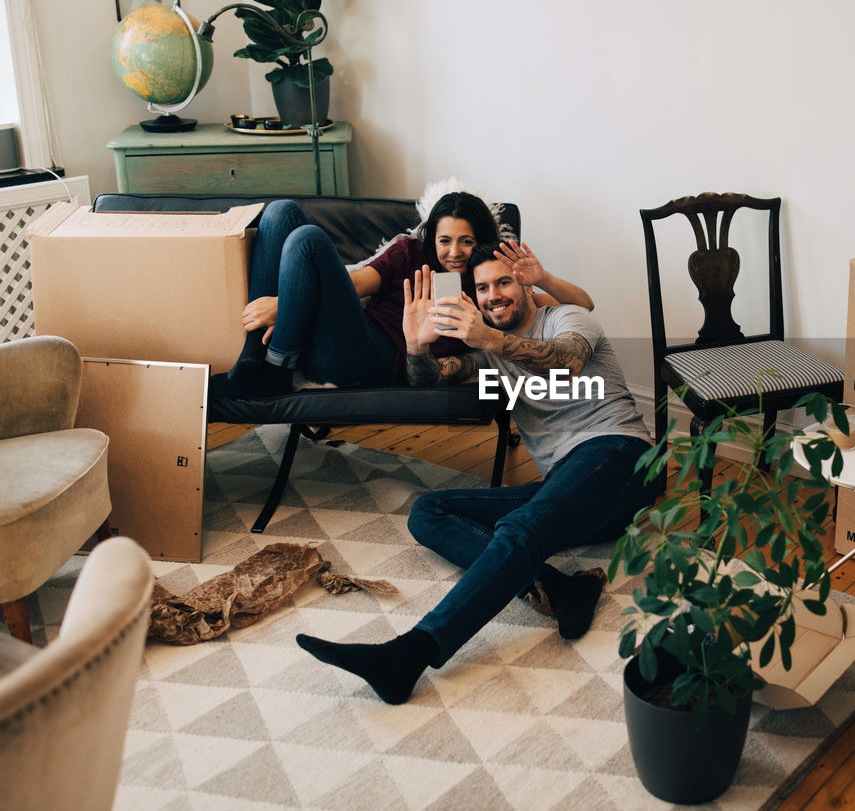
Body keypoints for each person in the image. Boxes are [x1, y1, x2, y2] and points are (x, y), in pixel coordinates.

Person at [295, 248, 657, 704]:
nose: (493, 296)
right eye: (482, 289)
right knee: (429, 511)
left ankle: (410, 653)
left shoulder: (567, 319)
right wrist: (416, 346)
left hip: (622, 458)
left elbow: (566, 362)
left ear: (526, 285)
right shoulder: (489, 360)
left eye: (503, 283)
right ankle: (563, 586)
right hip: (569, 488)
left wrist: (488, 339)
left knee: (523, 527)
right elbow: (431, 379)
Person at [219, 191, 592, 397]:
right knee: (281, 212)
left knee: (308, 239)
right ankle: (256, 359)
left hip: (375, 364)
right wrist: (289, 303)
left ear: (482, 241)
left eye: (467, 241)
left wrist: (542, 277)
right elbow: (354, 284)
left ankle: (274, 366)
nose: (454, 252)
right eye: (445, 241)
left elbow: (582, 307)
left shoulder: (489, 283)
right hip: (348, 334)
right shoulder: (410, 253)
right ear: (433, 238)